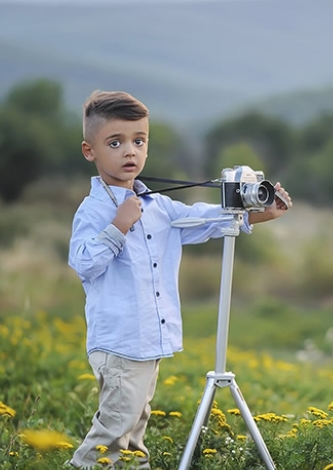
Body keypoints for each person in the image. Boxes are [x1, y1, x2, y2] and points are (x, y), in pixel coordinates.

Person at [67, 90, 292, 469]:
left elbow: (202, 219)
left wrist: (257, 214)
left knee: (134, 426)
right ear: (90, 151)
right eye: (115, 142)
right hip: (120, 342)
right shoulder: (94, 210)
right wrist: (118, 226)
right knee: (113, 429)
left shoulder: (159, 205)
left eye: (139, 141)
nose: (129, 152)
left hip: (148, 340)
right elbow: (83, 263)